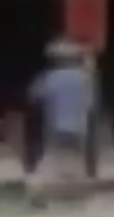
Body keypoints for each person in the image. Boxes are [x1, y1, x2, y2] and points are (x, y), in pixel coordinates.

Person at [26, 40, 97, 207]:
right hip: (80, 126)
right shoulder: (85, 78)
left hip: (55, 125)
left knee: (50, 158)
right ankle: (80, 193)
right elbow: (90, 104)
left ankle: (36, 187)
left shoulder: (50, 78)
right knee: (75, 160)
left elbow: (34, 96)